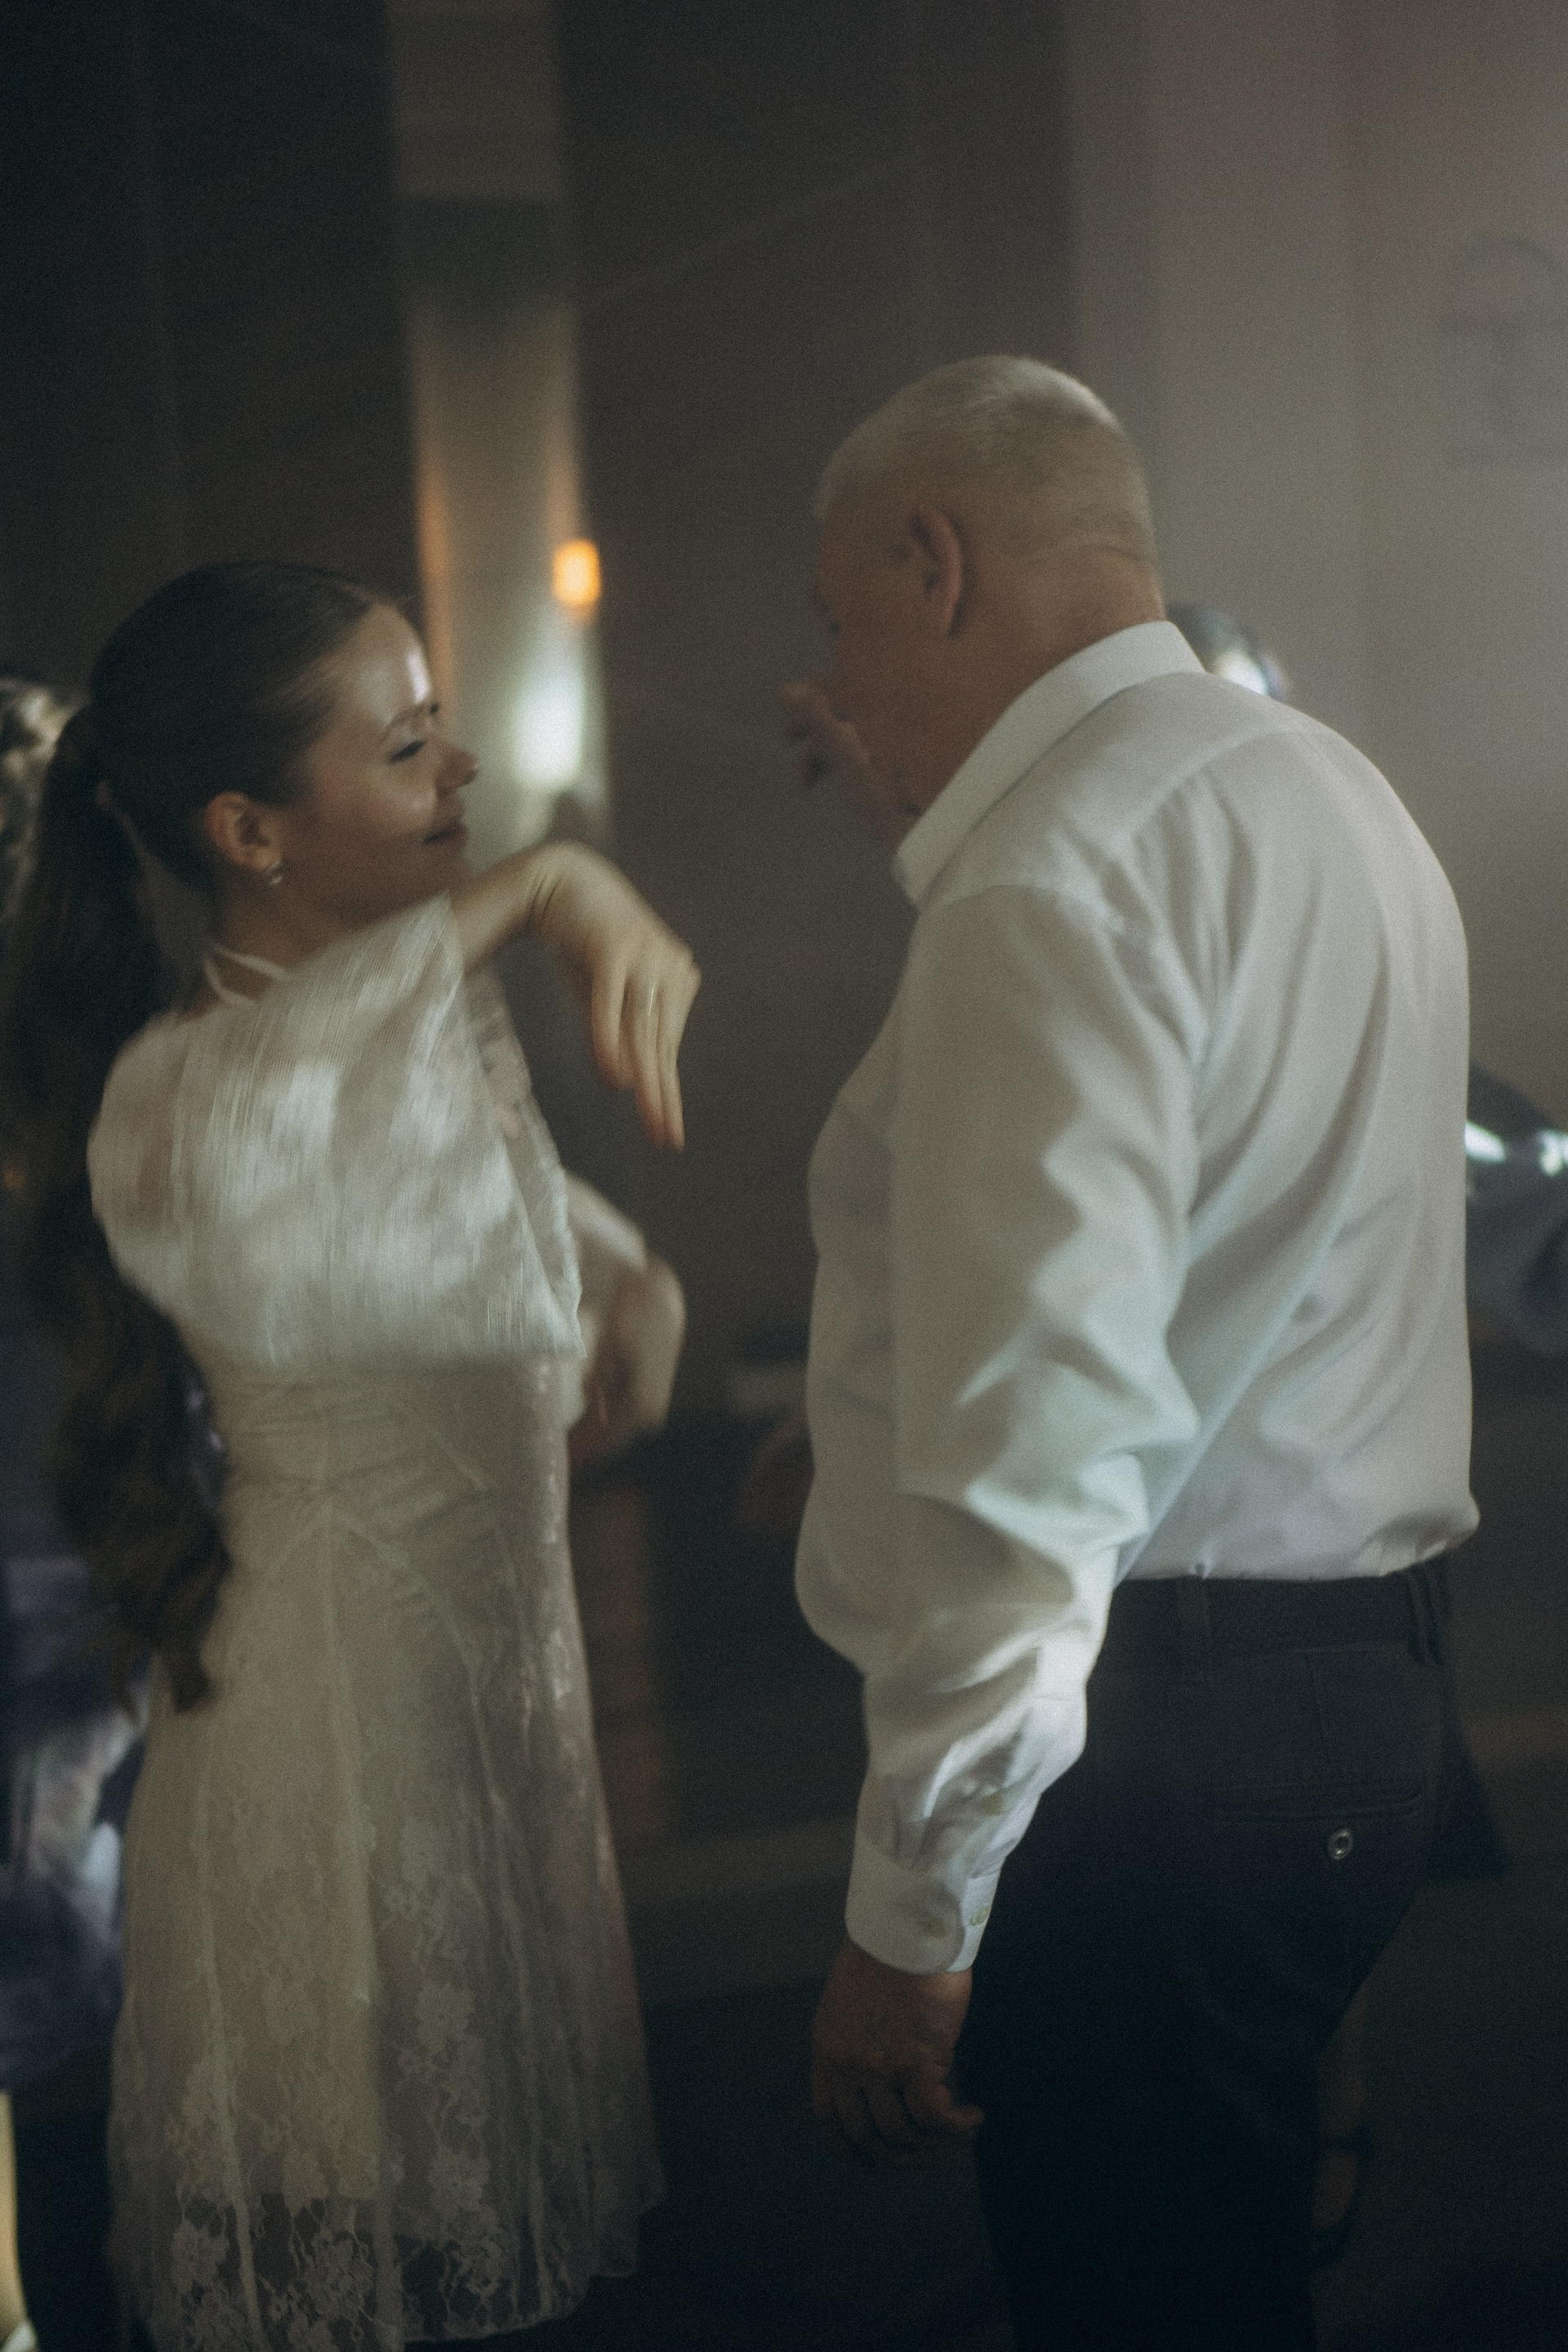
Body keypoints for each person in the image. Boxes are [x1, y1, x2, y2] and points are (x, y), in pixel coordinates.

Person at [786, 359, 1475, 2350]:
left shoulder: (1051, 869)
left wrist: (913, 1912)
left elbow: (1042, 1458)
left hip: (1160, 1748)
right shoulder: (1328, 788)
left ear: (936, 564)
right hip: (1361, 1695)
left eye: (844, 620)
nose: (843, 693)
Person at [0, 562, 701, 2350]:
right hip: (331, 1756)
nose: (462, 769)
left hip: (493, 1727)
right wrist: (550, 884)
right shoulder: (182, 1084)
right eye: (405, 746)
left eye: (440, 727)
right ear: (249, 831)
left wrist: (637, 1278)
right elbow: (274, 1107)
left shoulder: (415, 1028)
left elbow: (468, 1227)